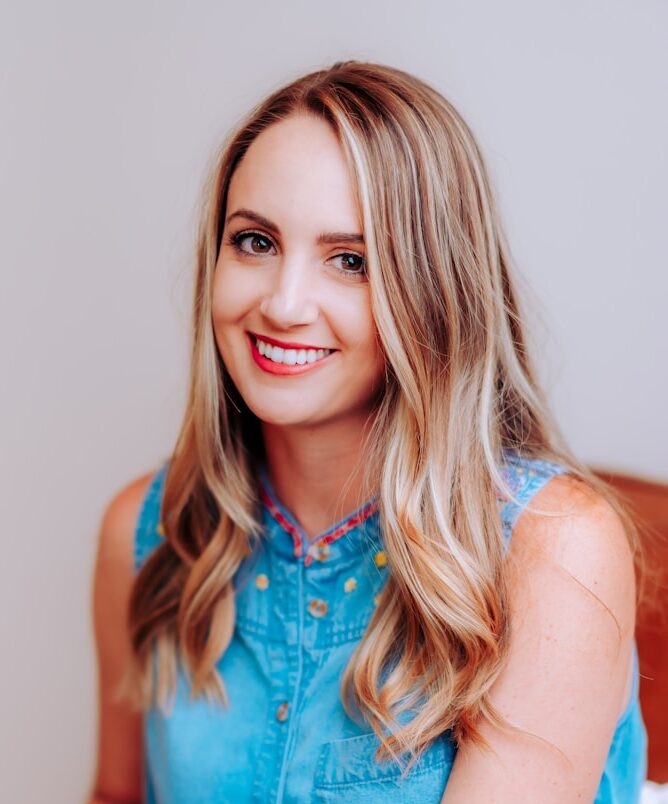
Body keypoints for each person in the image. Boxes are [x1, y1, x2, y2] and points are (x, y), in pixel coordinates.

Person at [90, 61, 647, 803]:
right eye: (254, 242)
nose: (284, 304)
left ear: (434, 292)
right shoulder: (147, 532)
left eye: (350, 260)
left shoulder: (555, 551)